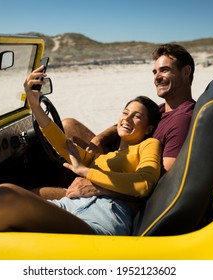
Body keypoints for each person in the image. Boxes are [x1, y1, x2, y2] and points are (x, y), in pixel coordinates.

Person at [0, 68, 162, 235]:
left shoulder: (148, 145)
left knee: (4, 195)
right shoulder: (104, 156)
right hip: (69, 206)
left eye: (137, 116)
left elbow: (143, 185)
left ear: (149, 127)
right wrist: (35, 106)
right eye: (126, 112)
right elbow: (61, 144)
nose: (128, 118)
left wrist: (86, 173)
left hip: (101, 218)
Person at [61, 44, 195, 198]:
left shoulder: (181, 120)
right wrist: (99, 139)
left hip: (125, 186)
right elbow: (124, 124)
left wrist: (99, 187)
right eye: (155, 72)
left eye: (164, 70)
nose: (157, 78)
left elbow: (163, 183)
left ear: (186, 72)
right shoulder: (163, 109)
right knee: (69, 125)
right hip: (118, 160)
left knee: (37, 193)